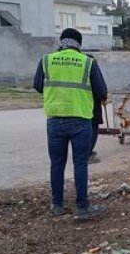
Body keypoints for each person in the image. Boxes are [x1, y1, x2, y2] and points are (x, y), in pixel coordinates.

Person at [33, 28, 108, 220]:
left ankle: (57, 205)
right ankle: (82, 207)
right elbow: (101, 91)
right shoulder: (87, 62)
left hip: (55, 119)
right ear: (79, 44)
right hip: (80, 119)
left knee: (57, 163)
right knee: (80, 163)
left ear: (62, 42)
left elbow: (38, 86)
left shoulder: (46, 60)